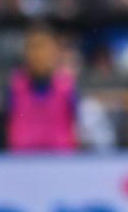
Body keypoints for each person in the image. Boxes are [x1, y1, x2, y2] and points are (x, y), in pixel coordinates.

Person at [5, 23, 78, 152]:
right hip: (21, 165)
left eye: (43, 47)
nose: (38, 54)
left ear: (55, 51)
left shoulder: (68, 88)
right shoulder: (14, 87)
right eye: (33, 47)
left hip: (62, 165)